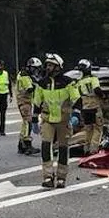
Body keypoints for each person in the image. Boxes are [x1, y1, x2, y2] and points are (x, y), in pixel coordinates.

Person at [32, 53, 78, 189]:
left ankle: (61, 178)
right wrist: (34, 118)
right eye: (47, 65)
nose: (48, 67)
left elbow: (77, 99)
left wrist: (76, 114)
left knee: (63, 149)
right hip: (47, 119)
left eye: (51, 65)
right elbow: (37, 101)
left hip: (63, 120)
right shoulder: (42, 83)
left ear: (58, 67)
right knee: (46, 146)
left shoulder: (68, 82)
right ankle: (48, 176)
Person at [74, 59, 105, 153]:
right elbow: (97, 90)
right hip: (95, 107)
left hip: (85, 108)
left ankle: (86, 149)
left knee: (88, 129)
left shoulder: (79, 82)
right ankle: (94, 149)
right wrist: (104, 96)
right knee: (98, 128)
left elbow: (77, 97)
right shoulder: (93, 79)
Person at [16, 58, 40, 155]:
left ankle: (21, 145)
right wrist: (37, 84)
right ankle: (27, 145)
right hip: (24, 101)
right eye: (35, 69)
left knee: (25, 123)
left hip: (24, 101)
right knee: (28, 122)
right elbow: (29, 89)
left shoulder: (24, 74)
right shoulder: (24, 75)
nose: (36, 71)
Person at [0, 60, 11, 136]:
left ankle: (2, 130)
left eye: (2, 65)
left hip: (4, 94)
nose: (0, 67)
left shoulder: (6, 73)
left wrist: (11, 95)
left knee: (3, 114)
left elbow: (9, 84)